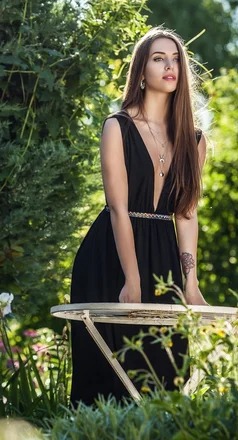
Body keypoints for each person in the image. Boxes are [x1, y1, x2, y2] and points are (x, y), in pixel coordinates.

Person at [69, 26, 210, 406]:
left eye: (177, 59)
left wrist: (191, 283)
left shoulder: (194, 140)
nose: (170, 66)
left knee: (165, 366)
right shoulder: (117, 126)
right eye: (159, 58)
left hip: (164, 257)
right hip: (111, 255)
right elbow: (118, 208)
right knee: (109, 376)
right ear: (141, 71)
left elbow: (186, 214)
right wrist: (131, 277)